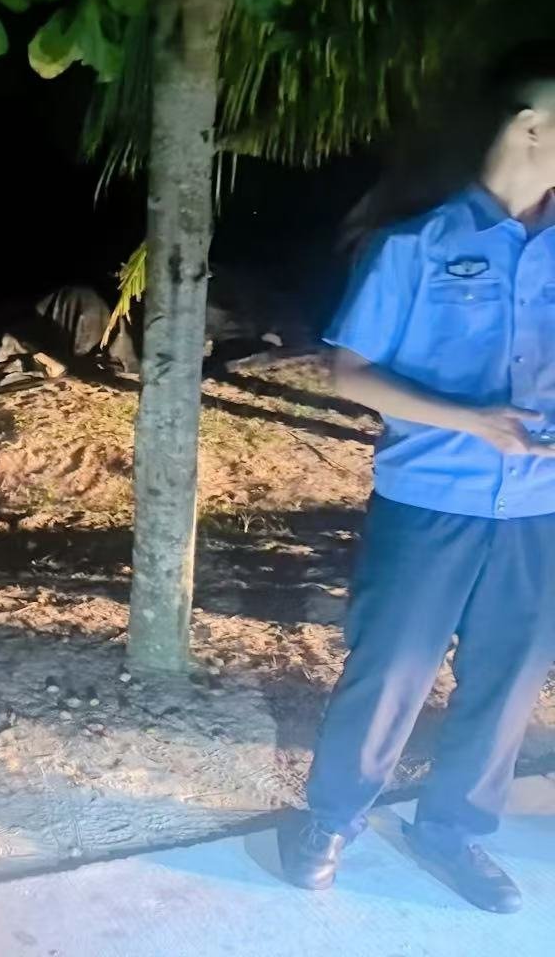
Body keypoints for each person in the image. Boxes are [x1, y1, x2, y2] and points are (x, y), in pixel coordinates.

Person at [280, 49, 555, 913]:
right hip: (431, 499)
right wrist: (473, 420)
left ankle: (451, 831)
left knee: (508, 679)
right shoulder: (415, 244)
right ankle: (331, 819)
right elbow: (350, 372)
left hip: (539, 508)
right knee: (392, 670)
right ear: (531, 127)